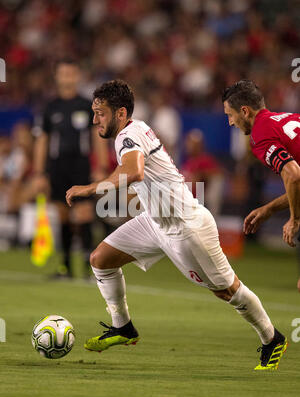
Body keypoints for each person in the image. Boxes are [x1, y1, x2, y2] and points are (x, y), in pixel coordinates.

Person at [66, 79, 287, 371]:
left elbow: (133, 172)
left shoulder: (127, 136)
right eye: (94, 113)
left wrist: (89, 189)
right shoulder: (134, 130)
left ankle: (272, 337)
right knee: (101, 260)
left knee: (226, 290)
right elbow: (140, 177)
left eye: (101, 113)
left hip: (186, 227)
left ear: (120, 113)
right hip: (155, 222)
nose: (95, 119)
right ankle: (123, 328)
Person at [32, 58, 106, 279]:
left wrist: (100, 167)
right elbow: (42, 141)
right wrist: (39, 173)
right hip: (57, 167)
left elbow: (98, 137)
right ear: (57, 76)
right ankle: (65, 268)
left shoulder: (86, 105)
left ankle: (87, 268)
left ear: (77, 76)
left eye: (71, 73)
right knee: (62, 214)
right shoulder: (49, 107)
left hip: (80, 166)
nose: (67, 77)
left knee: (83, 213)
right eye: (63, 73)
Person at [222, 79, 300, 288]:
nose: (230, 122)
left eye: (230, 115)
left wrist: (294, 219)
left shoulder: (260, 135)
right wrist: (269, 209)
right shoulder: (289, 118)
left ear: (245, 111)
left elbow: (294, 176)